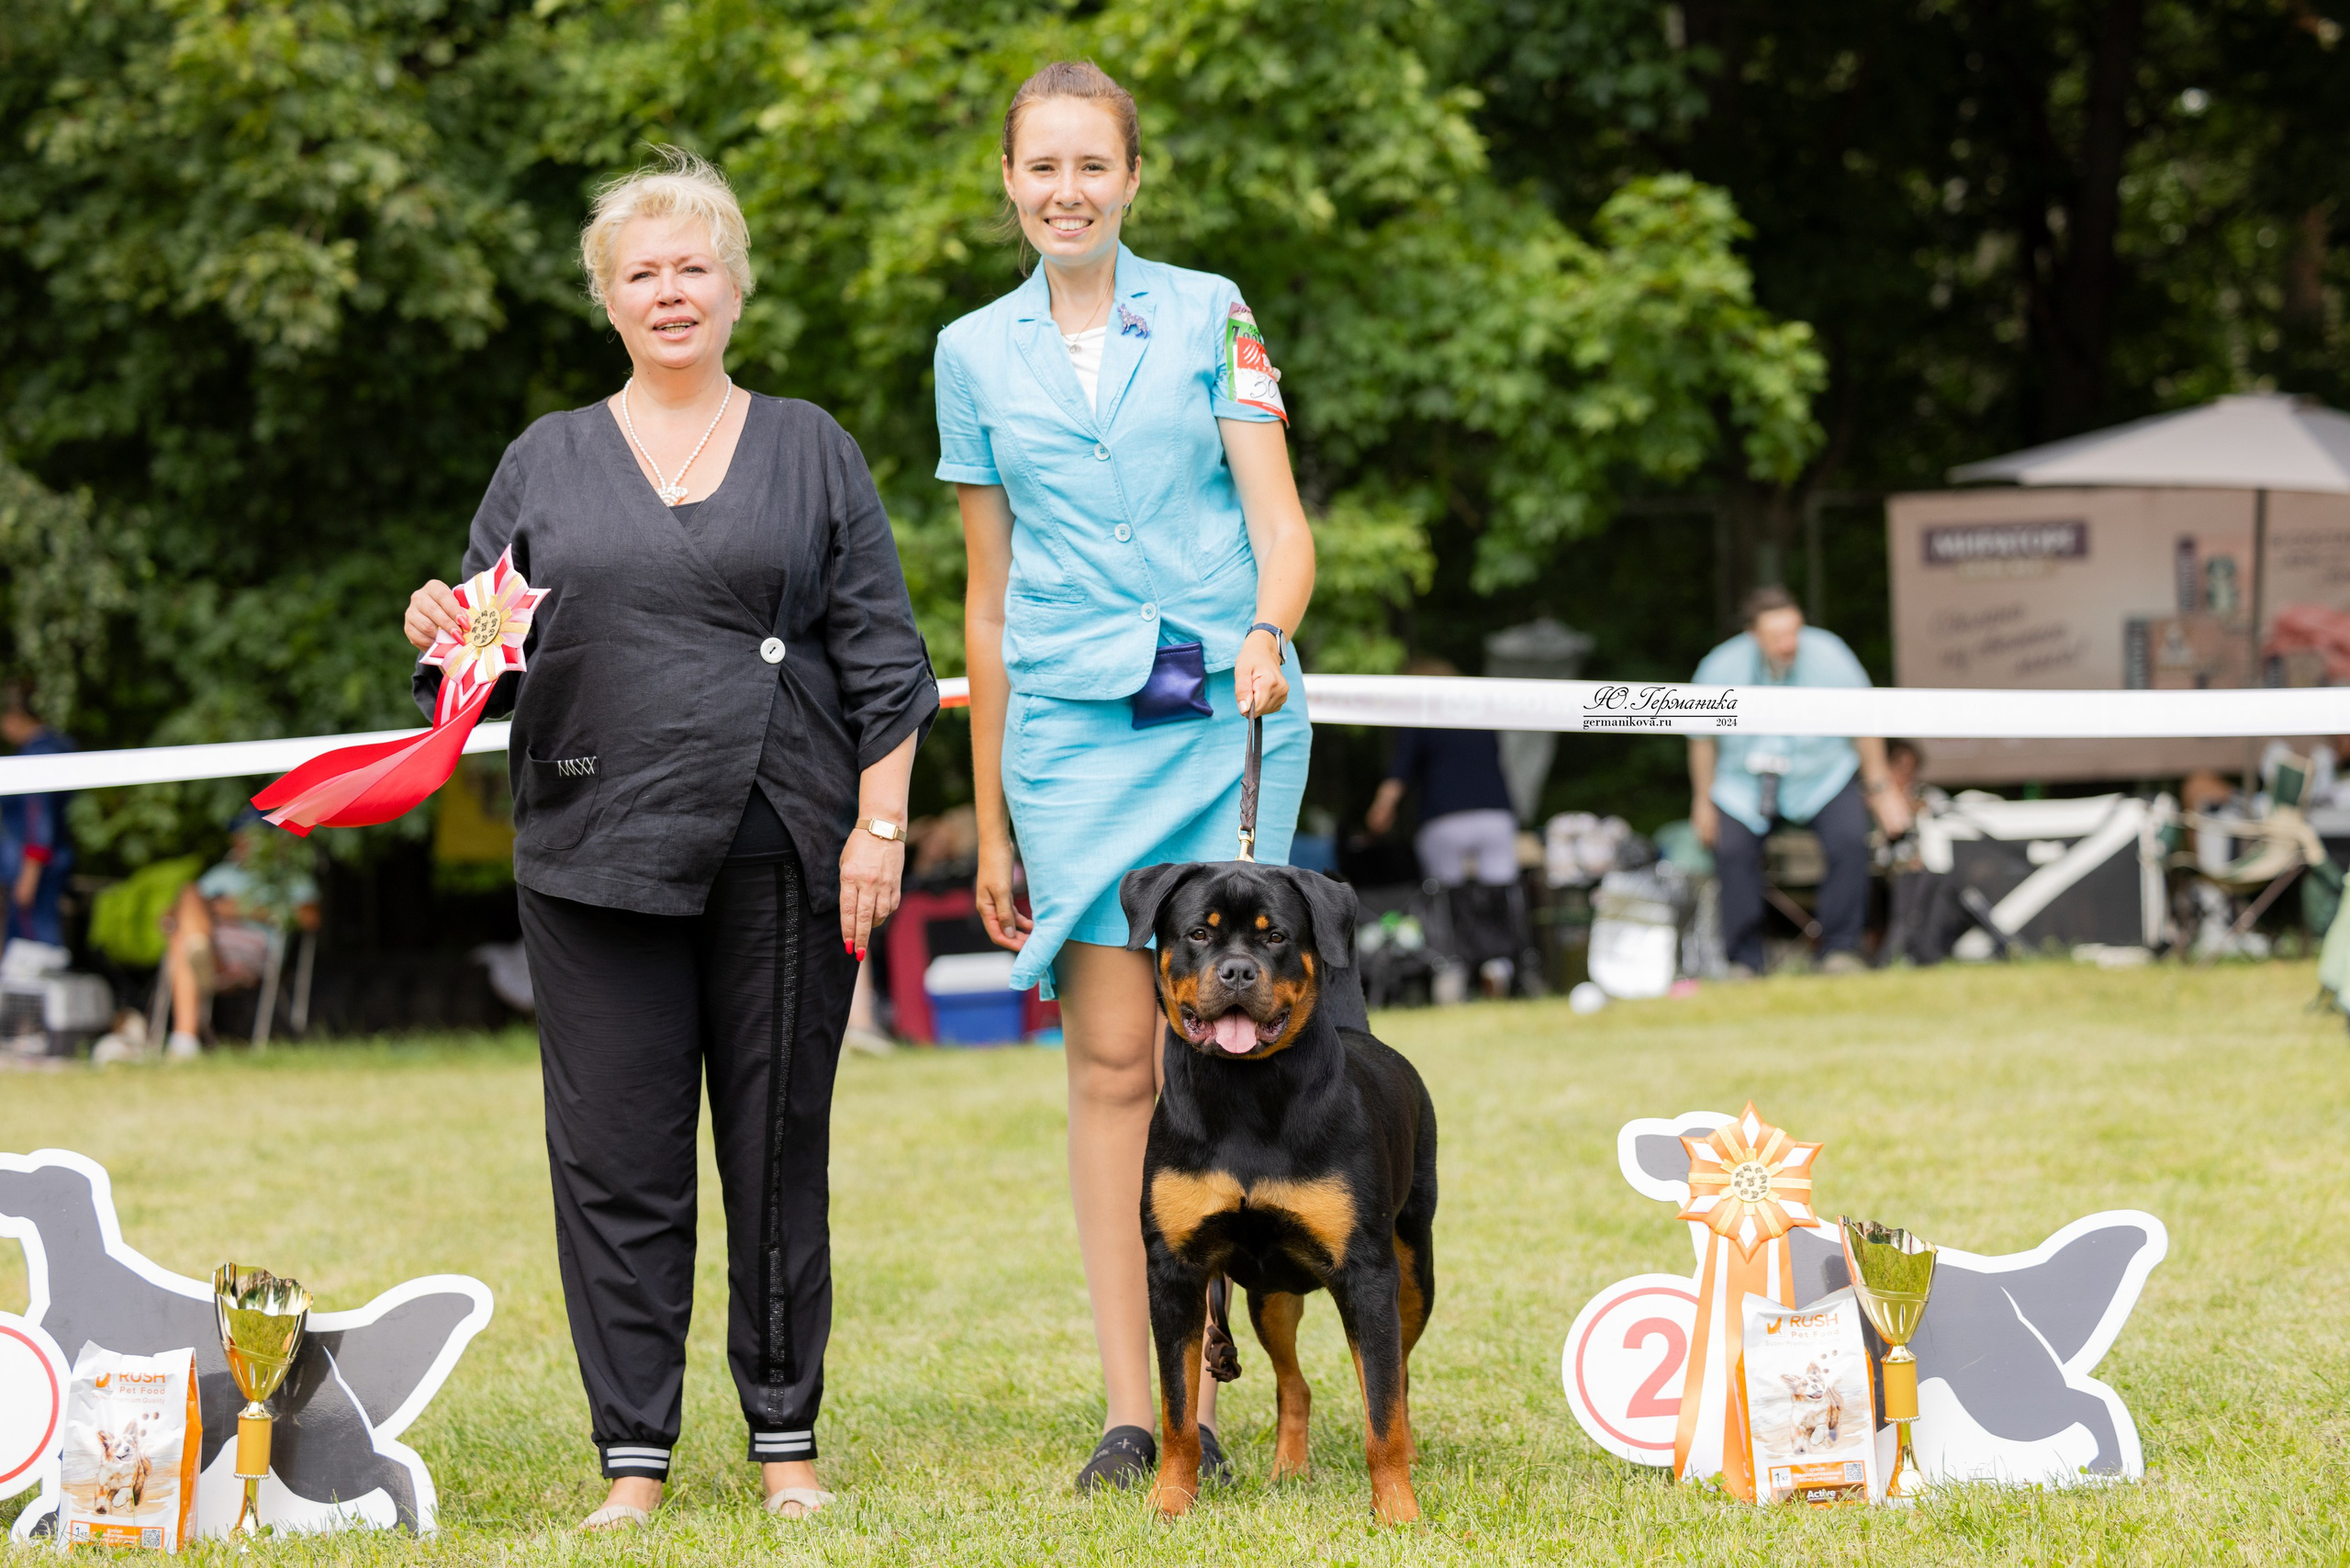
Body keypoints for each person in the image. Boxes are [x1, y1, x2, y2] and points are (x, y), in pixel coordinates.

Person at [403, 150, 936, 1530]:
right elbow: (482, 669)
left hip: (782, 846)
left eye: (693, 265)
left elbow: (886, 665)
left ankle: (786, 1445)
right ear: (609, 301)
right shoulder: (545, 459)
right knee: (615, 1164)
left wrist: (878, 829)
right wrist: (441, 631)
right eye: (641, 272)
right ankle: (631, 1461)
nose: (669, 290)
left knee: (775, 1153)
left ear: (735, 286)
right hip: (591, 848)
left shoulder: (812, 445)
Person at [936, 62, 1316, 1491]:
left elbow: (1280, 522)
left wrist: (1270, 629)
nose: (1067, 191)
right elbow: (986, 602)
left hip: (1228, 710)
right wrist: (988, 812)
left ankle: (1247, 1359)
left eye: (1093, 166)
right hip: (1074, 740)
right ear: (1012, 181)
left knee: (1224, 1053)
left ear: (1132, 179)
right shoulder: (971, 354)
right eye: (1042, 167)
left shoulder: (1213, 312)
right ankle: (1144, 1411)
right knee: (1111, 1067)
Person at [1687, 586, 1910, 976]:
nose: (1789, 643)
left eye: (1795, 632)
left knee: (1848, 839)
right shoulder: (1720, 666)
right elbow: (1701, 740)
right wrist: (1703, 801)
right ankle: (1744, 962)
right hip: (1743, 784)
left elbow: (1865, 719)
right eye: (1777, 636)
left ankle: (1841, 951)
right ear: (1753, 634)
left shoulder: (1830, 654)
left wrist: (1881, 788)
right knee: (1732, 850)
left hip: (1821, 776)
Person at [159, 819, 321, 1058]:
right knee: (189, 893)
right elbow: (171, 915)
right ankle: (199, 948)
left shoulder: (288, 878)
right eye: (239, 835)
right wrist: (203, 911)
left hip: (250, 951)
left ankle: (184, 1042)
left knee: (183, 940)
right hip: (211, 940)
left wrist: (237, 909)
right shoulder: (222, 874)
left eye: (251, 836)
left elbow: (310, 918)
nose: (243, 842)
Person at [1364, 660, 1518, 888]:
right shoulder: (1481, 714)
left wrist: (1382, 807)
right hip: (1495, 812)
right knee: (1502, 892)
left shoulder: (1420, 713)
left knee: (1444, 896)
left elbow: (1401, 768)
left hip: (1444, 816)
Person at [0, 682, 73, 951]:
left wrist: (29, 872)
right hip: (48, 863)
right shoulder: (57, 746)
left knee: (32, 948)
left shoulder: (37, 754)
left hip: (35, 867)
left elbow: (38, 816)